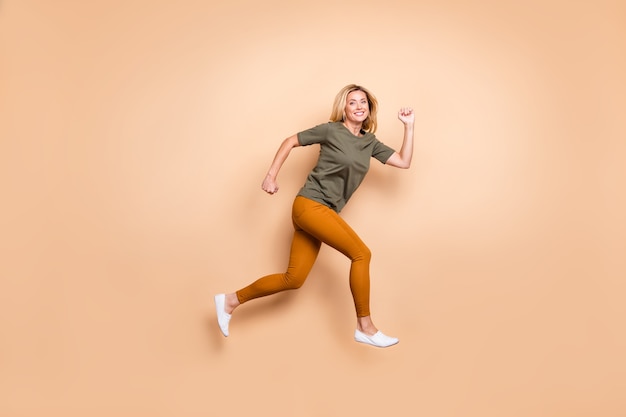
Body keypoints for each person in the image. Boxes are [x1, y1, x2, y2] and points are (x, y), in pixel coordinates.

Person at [215, 84, 414, 348]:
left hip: (322, 212)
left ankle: (230, 300)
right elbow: (291, 141)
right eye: (352, 102)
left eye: (363, 102)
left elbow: (403, 161)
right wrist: (271, 175)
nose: (358, 106)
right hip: (309, 205)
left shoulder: (369, 143)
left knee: (293, 279)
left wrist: (408, 126)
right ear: (344, 107)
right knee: (362, 254)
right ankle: (365, 326)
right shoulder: (331, 130)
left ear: (369, 108)